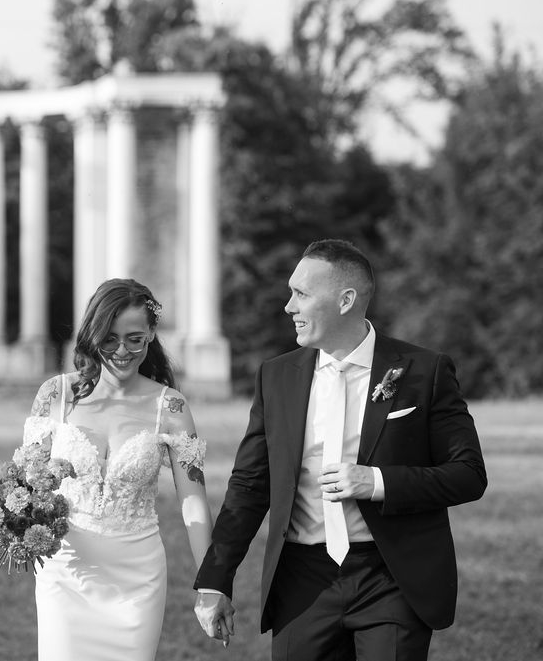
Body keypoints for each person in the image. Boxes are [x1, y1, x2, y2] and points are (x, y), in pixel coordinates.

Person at [193, 239, 488, 660]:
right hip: (301, 582)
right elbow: (249, 485)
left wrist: (377, 482)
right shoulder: (276, 377)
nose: (288, 307)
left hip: (390, 577)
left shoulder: (425, 371)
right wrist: (215, 579)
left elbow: (469, 474)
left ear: (345, 300)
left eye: (301, 294)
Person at [24, 278, 213, 661]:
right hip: (66, 573)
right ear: (93, 336)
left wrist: (211, 584)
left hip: (137, 578)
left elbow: (193, 502)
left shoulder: (171, 407)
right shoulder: (55, 396)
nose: (122, 351)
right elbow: (27, 484)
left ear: (152, 334)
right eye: (109, 339)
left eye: (134, 339)